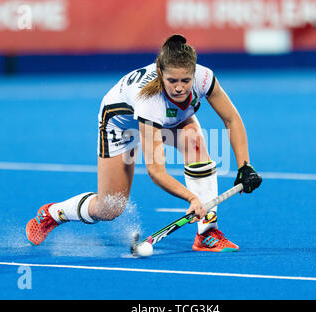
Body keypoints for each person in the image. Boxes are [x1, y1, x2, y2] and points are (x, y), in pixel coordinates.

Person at [26, 34, 262, 252]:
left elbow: (232, 118)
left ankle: (207, 233)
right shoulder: (149, 100)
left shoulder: (204, 78)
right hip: (121, 124)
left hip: (171, 116)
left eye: (185, 80)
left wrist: (244, 165)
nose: (179, 87)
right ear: (160, 72)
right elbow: (155, 171)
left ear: (194, 73)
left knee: (195, 142)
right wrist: (191, 198)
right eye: (172, 80)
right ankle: (53, 213)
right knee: (110, 208)